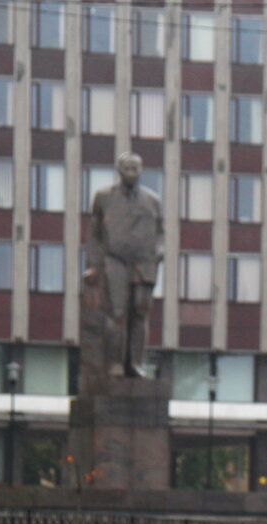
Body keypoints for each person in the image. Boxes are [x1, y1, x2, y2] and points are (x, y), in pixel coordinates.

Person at [85, 151, 163, 379]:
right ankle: (116, 363)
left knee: (140, 313)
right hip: (114, 260)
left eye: (136, 168)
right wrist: (94, 265)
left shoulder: (152, 200)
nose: (132, 173)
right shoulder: (104, 197)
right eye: (127, 168)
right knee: (117, 313)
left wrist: (160, 251)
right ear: (119, 171)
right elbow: (95, 234)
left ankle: (136, 363)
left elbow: (161, 233)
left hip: (144, 263)